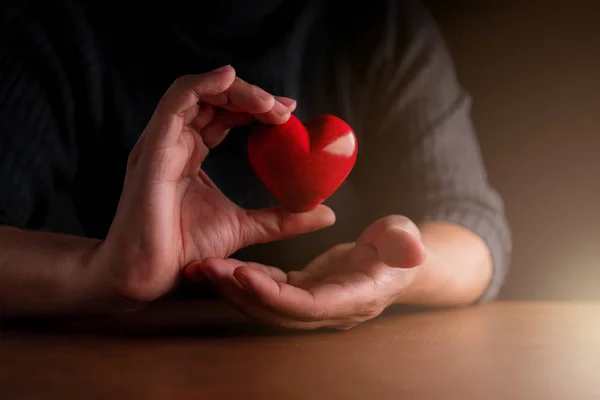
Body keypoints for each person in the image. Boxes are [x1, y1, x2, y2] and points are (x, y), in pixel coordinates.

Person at [0, 0, 511, 329]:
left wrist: (394, 273)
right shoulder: (57, 23)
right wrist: (104, 272)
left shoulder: (383, 26)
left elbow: (475, 229)